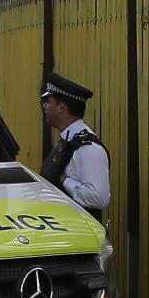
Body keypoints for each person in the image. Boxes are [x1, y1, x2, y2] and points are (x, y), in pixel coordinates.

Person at [39, 72, 109, 218]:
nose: (44, 106)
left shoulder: (88, 148)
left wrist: (63, 179)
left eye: (48, 100)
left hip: (81, 233)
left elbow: (99, 198)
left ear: (61, 107)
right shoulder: (68, 140)